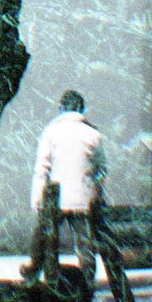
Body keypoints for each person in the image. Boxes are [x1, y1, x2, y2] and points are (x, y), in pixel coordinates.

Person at [20, 89, 105, 283]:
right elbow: (101, 170)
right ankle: (87, 281)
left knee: (44, 236)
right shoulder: (93, 133)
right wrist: (97, 196)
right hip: (83, 198)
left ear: (61, 107)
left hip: (55, 198)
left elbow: (42, 169)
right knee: (85, 243)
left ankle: (33, 272)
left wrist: (37, 200)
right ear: (82, 109)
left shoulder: (51, 132)